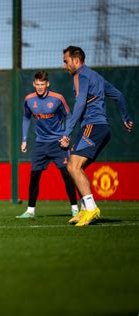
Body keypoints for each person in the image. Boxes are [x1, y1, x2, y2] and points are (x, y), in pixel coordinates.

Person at [60, 46, 133, 227]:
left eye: (66, 61)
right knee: (73, 167)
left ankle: (91, 208)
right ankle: (85, 209)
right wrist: (125, 117)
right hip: (102, 128)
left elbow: (80, 104)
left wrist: (67, 133)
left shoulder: (81, 76)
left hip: (92, 126)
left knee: (74, 167)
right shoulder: (96, 77)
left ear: (76, 61)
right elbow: (119, 95)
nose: (64, 66)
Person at [16, 71, 79, 219]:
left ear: (47, 84)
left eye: (42, 84)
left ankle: (75, 209)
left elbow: (69, 117)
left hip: (58, 143)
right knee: (34, 176)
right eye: (37, 84)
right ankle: (30, 211)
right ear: (33, 84)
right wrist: (24, 139)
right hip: (40, 144)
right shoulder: (29, 100)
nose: (39, 87)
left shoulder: (58, 99)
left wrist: (66, 136)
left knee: (66, 175)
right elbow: (26, 118)